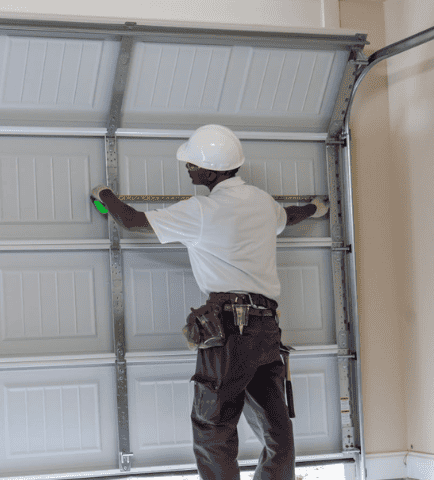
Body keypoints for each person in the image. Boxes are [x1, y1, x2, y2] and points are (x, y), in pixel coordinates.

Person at [90, 124, 328, 480]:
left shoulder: (201, 210)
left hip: (229, 330)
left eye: (192, 164)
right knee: (276, 430)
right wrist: (316, 207)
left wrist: (104, 193)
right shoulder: (262, 202)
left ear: (212, 171)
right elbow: (288, 216)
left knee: (213, 429)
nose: (188, 168)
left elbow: (132, 221)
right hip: (266, 330)